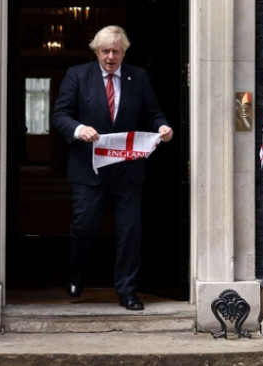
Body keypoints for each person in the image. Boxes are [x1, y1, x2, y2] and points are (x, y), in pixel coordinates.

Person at [51, 25, 173, 311]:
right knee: (84, 226)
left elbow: (152, 112)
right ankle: (75, 271)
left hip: (127, 168)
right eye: (105, 51)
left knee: (130, 231)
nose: (110, 57)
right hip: (88, 168)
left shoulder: (137, 77)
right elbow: (60, 114)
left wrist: (162, 126)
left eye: (116, 51)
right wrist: (79, 129)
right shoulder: (78, 75)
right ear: (96, 51)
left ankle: (127, 291)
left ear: (124, 52)